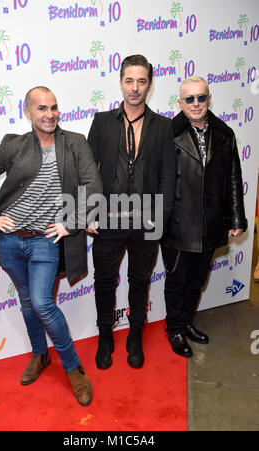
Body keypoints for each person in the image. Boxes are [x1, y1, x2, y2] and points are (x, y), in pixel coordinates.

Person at [0, 86, 102, 406]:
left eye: (54, 107)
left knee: (41, 303)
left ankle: (73, 368)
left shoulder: (75, 143)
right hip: (10, 241)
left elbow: (93, 189)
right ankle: (40, 355)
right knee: (27, 303)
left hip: (45, 241)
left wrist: (71, 224)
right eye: (42, 108)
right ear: (28, 112)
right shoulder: (13, 145)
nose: (50, 114)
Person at [87, 55, 175, 369]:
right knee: (104, 281)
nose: (134, 88)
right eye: (129, 80)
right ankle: (104, 336)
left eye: (141, 81)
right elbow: (88, 171)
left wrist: (160, 218)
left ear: (149, 84)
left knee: (139, 280)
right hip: (109, 216)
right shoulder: (101, 121)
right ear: (120, 81)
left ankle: (135, 335)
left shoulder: (164, 126)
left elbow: (167, 175)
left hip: (146, 218)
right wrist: (89, 213)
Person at [161, 75, 247, 358]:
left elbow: (234, 176)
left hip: (211, 221)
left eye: (201, 97)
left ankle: (186, 321)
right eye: (190, 99)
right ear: (180, 102)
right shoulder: (167, 133)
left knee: (197, 280)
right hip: (176, 223)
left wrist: (236, 218)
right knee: (177, 280)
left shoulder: (225, 133)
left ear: (209, 99)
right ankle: (174, 328)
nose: (196, 104)